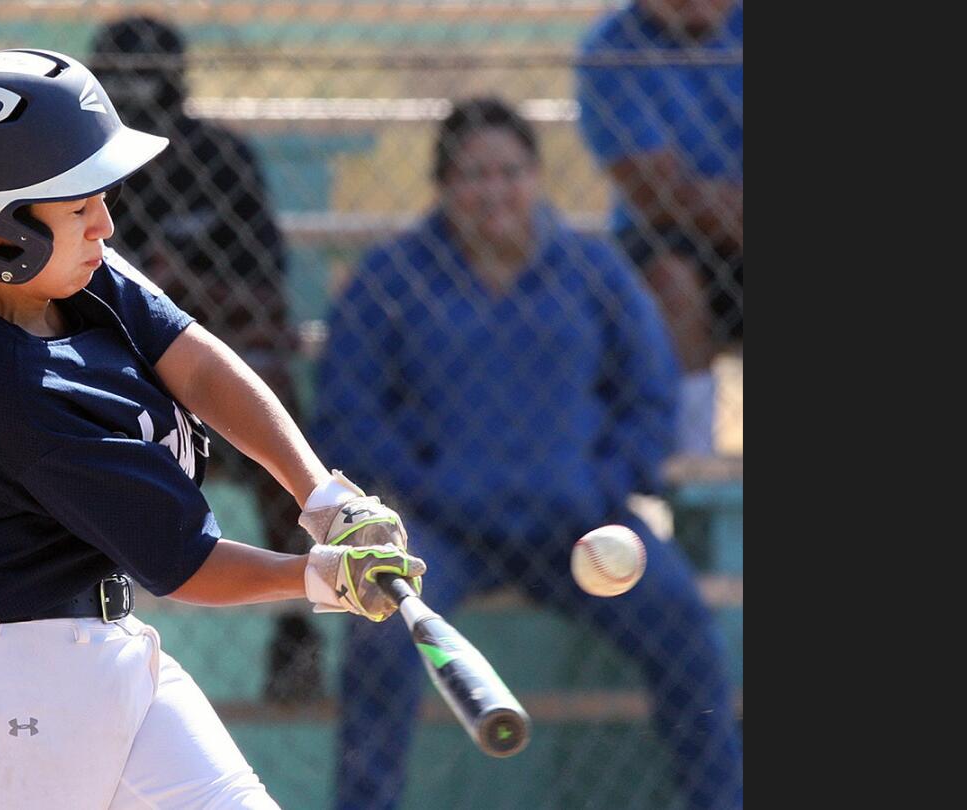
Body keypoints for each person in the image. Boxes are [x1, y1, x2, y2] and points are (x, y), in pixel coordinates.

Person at [0, 48, 427, 809]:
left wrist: (325, 498)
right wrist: (319, 578)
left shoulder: (42, 272)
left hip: (101, 653)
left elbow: (193, 363)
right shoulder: (12, 390)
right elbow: (186, 563)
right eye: (76, 210)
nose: (106, 224)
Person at [316, 98, 743, 810]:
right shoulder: (391, 279)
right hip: (440, 533)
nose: (494, 191)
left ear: (536, 178)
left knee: (685, 628)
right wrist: (420, 486)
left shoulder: (593, 271)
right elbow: (347, 409)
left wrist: (604, 482)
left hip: (578, 525)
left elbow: (651, 395)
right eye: (474, 174)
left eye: (511, 171)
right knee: (381, 643)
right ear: (444, 186)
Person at [86, 17, 322, 702]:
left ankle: (296, 632)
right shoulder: (82, 168)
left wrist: (182, 291)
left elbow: (266, 296)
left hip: (207, 361)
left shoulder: (220, 157)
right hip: (110, 367)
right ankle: (89, 614)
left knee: (272, 381)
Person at [575, 0, 743, 455]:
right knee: (672, 279)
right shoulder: (614, 47)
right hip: (664, 234)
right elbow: (659, 193)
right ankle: (695, 468)